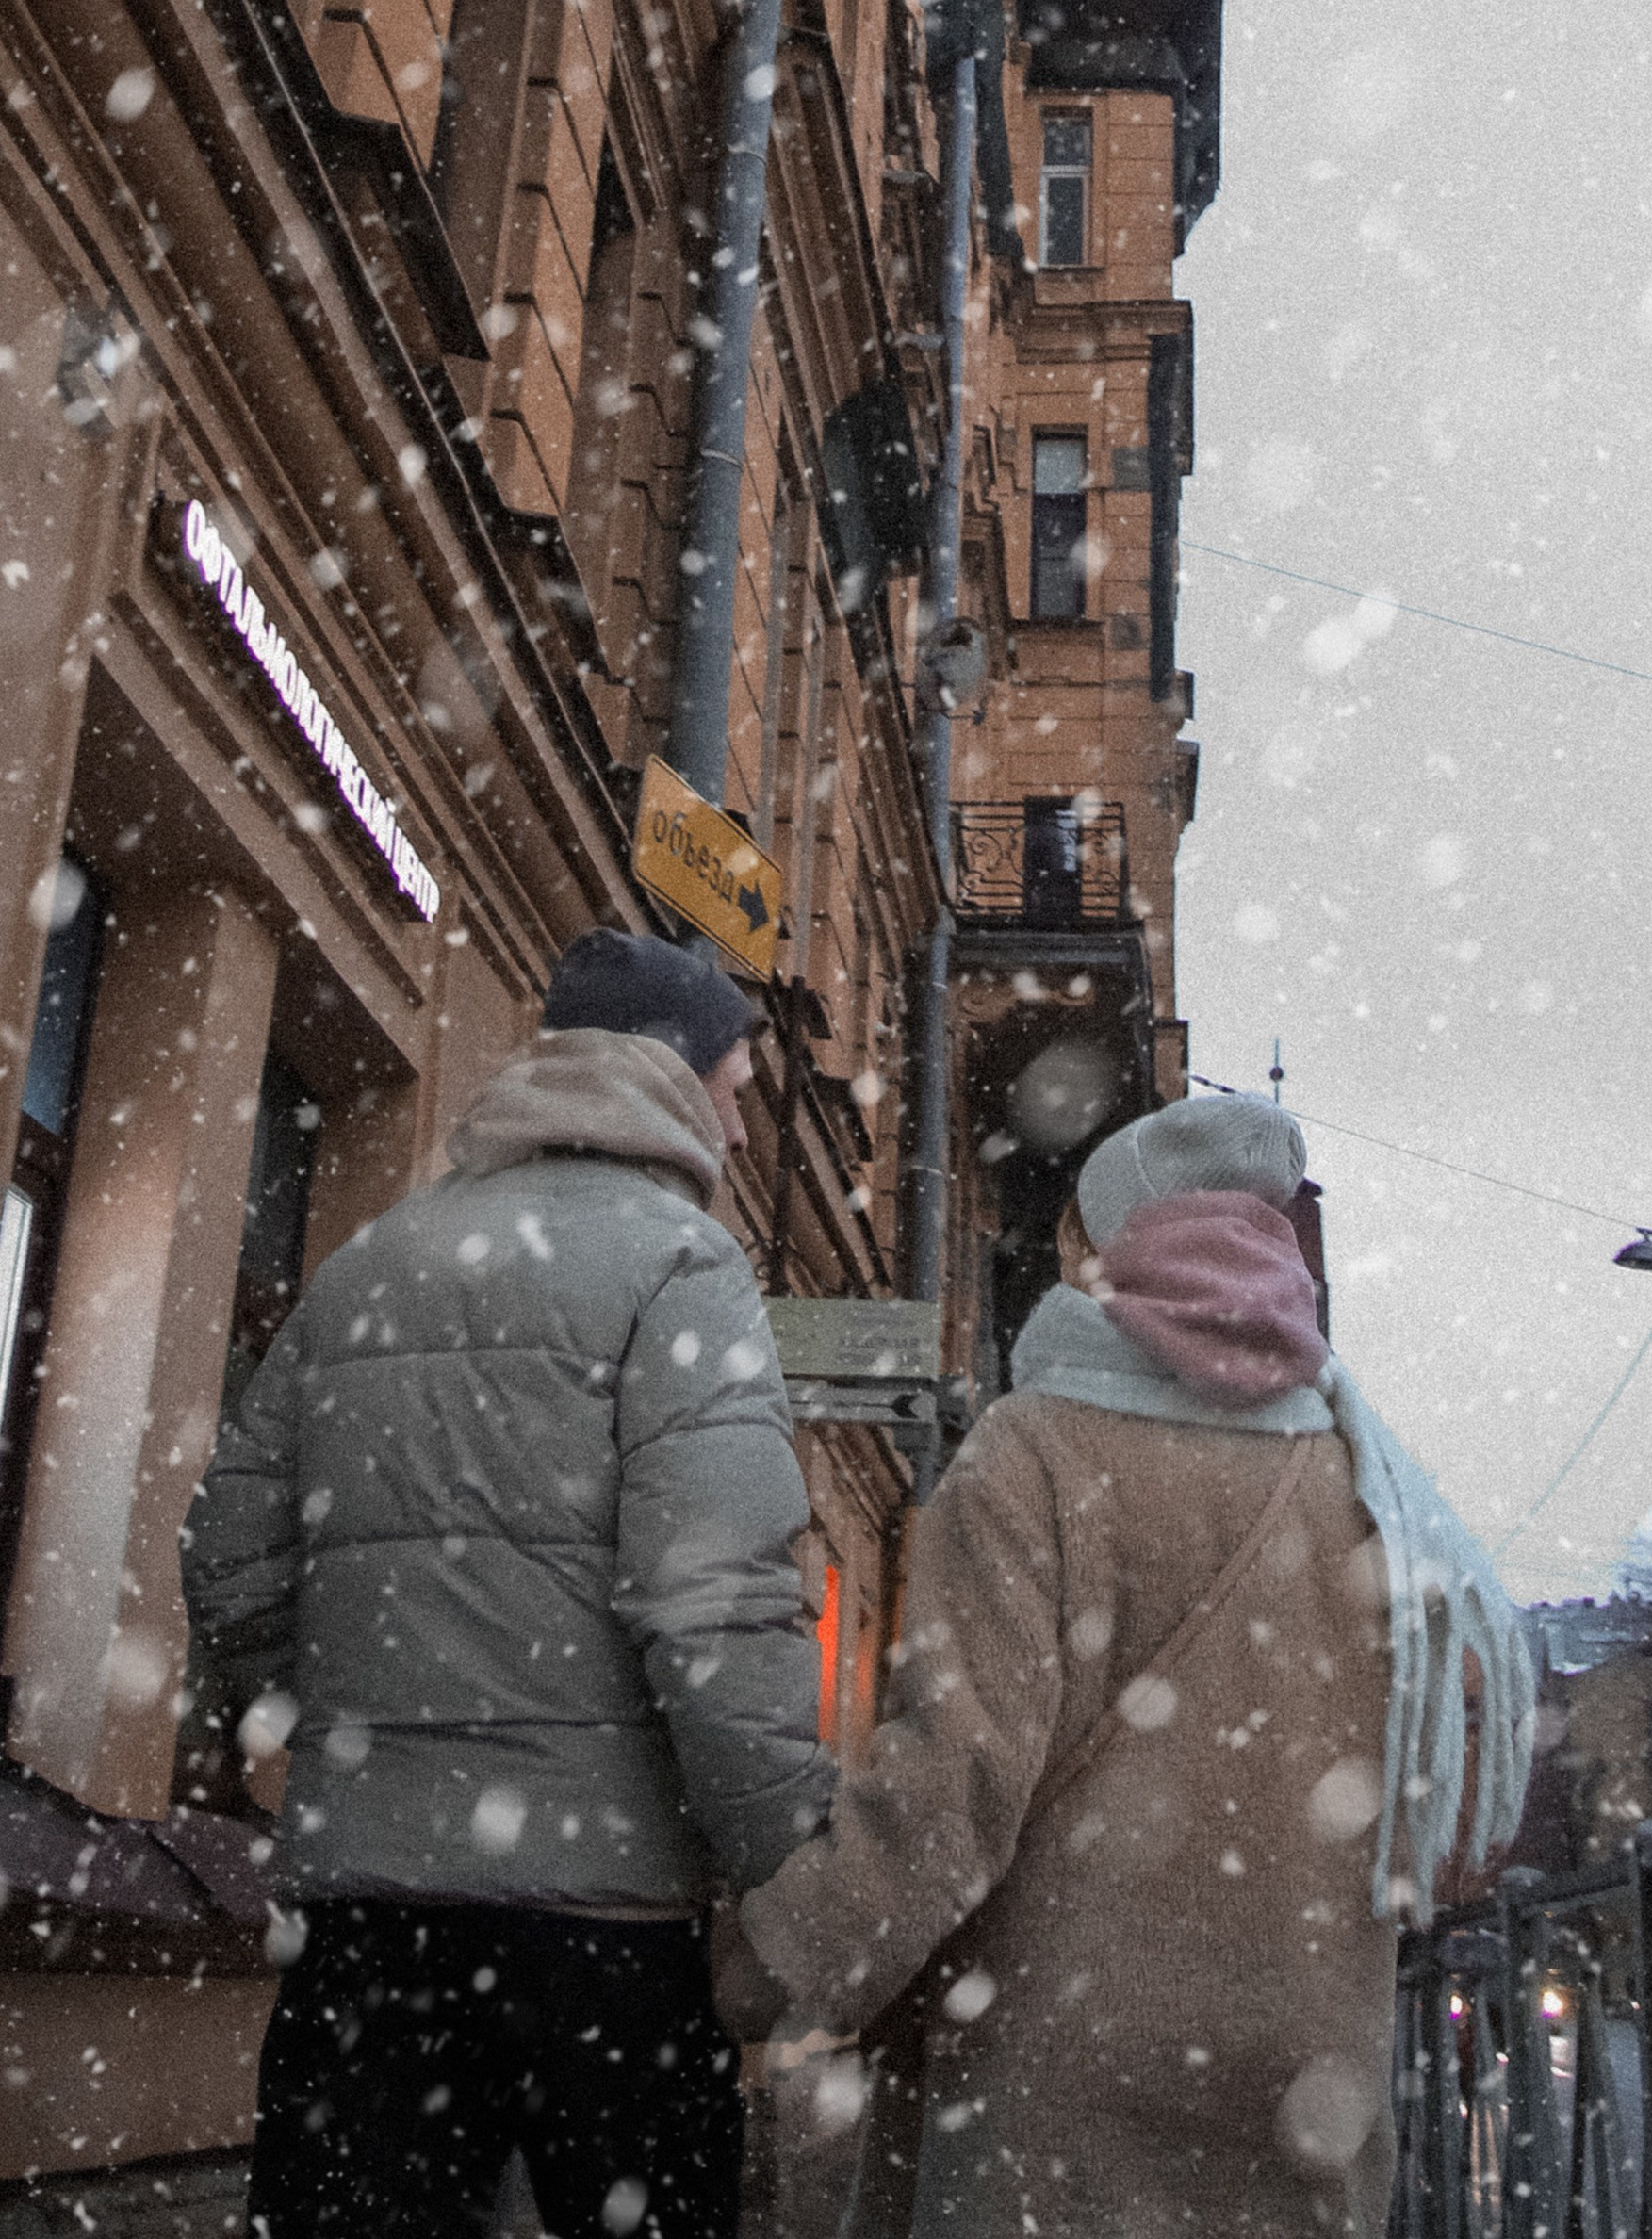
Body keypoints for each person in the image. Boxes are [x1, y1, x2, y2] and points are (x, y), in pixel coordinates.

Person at [739, 1091, 1533, 2238]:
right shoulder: (1373, 1489)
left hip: (1058, 2104)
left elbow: (953, 1792)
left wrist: (768, 1961)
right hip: (1307, 2090)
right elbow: (1436, 1820)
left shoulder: (1034, 1451)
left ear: (1102, 1246)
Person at [180, 924, 833, 2239]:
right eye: (739, 1087)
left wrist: (360, 1724)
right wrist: (786, 1862)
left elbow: (230, 1559)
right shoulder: (682, 1266)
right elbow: (716, 1599)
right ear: (670, 1072)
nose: (745, 1131)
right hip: (606, 1937)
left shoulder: (373, 1259)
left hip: (365, 1925)